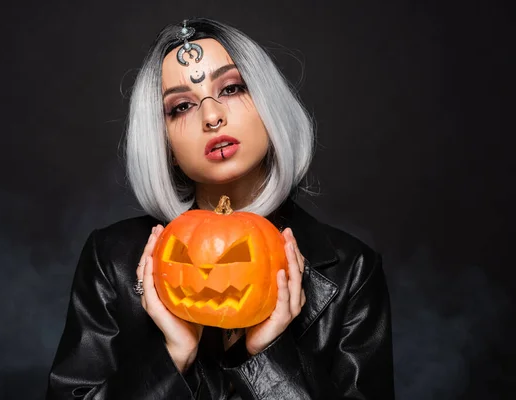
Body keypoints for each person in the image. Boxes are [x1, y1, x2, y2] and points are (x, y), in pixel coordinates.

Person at [46, 18, 394, 400]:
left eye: (230, 88)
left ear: (269, 105)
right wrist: (172, 355)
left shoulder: (353, 271)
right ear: (165, 146)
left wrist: (267, 355)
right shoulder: (111, 259)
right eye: (180, 106)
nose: (211, 117)